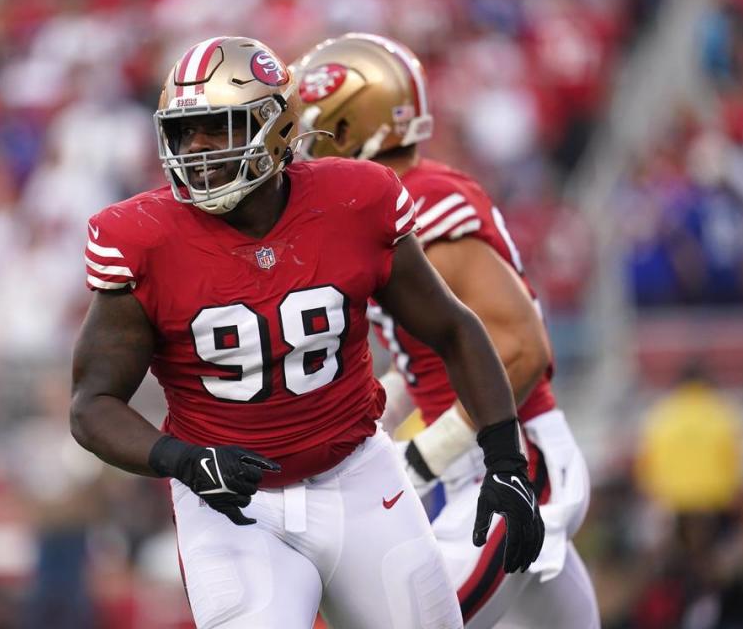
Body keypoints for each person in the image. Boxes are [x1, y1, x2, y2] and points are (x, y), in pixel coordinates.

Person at [70, 36, 544, 629]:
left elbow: (452, 329)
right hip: (232, 506)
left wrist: (505, 459)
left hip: (358, 476)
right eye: (183, 131)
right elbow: (92, 405)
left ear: (276, 126)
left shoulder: (355, 200)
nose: (195, 148)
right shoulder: (140, 237)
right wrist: (184, 460)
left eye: (217, 127)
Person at [294, 33, 599, 629]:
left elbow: (521, 347)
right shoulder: (389, 203)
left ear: (353, 127)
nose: (303, 153)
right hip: (480, 461)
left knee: (415, 621)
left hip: (512, 459)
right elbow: (423, 354)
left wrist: (427, 454)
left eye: (316, 131)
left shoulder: (425, 204)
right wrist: (374, 426)